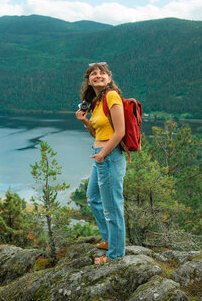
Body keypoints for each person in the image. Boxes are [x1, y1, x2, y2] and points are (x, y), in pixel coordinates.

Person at [75, 62, 126, 265]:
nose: (98, 76)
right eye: (93, 74)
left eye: (102, 73)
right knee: (93, 198)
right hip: (101, 155)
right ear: (88, 81)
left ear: (109, 78)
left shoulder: (112, 96)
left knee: (112, 208)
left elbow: (120, 131)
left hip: (109, 156)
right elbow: (98, 133)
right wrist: (86, 121)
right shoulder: (97, 101)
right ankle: (109, 239)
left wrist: (102, 154)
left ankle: (115, 255)